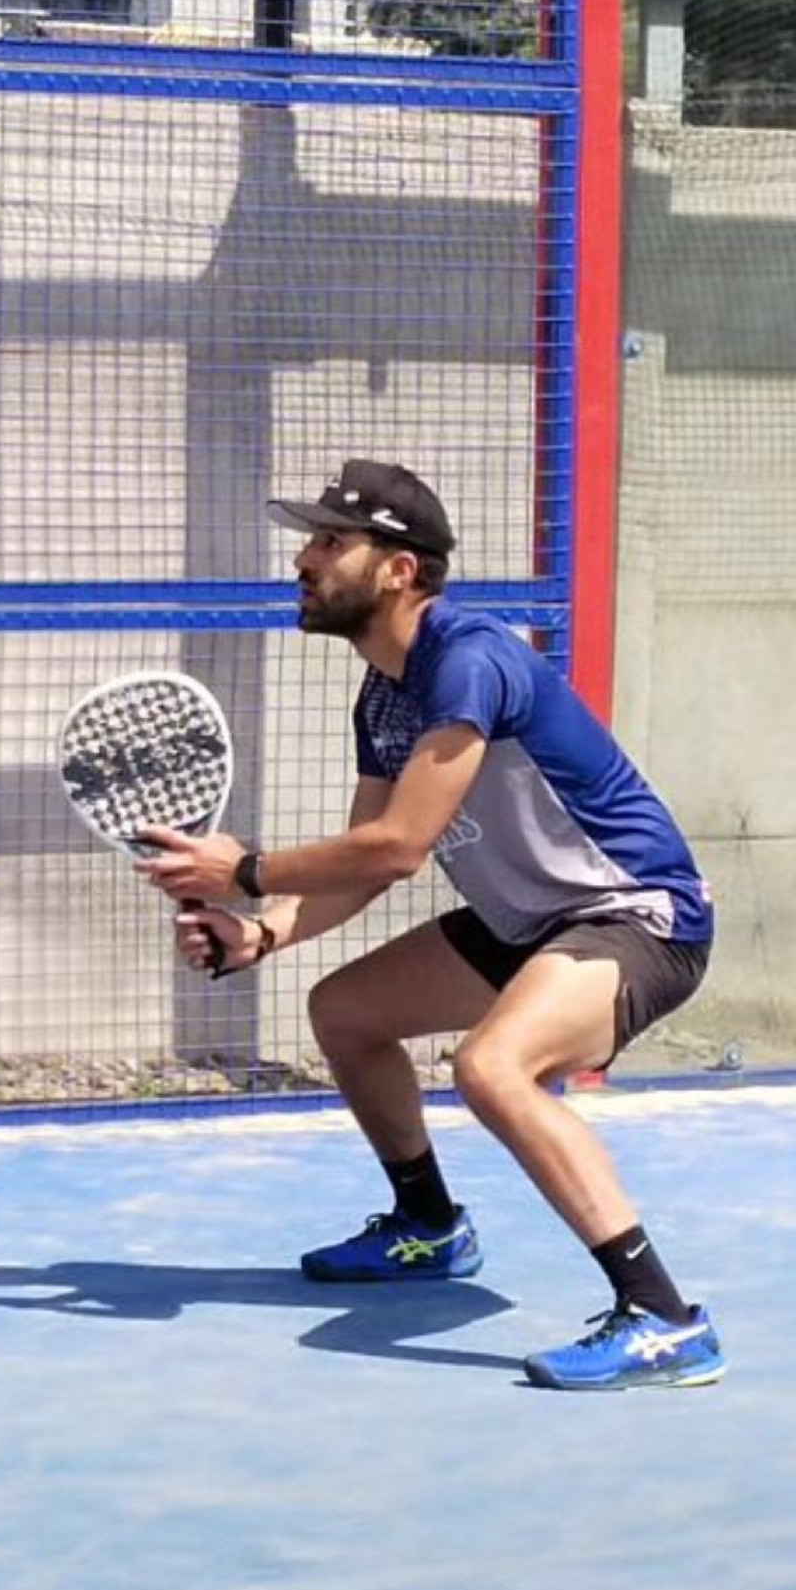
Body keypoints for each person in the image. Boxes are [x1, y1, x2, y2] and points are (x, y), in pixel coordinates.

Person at [139, 460, 722, 1393]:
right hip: (529, 922)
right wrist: (262, 932)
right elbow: (366, 859)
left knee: (492, 1067)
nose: (305, 559)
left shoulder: (468, 661)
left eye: (332, 541)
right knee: (345, 1011)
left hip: (637, 916)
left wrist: (244, 871)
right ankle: (430, 1227)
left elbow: (399, 846)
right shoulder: (383, 695)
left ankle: (664, 1317)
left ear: (399, 569)